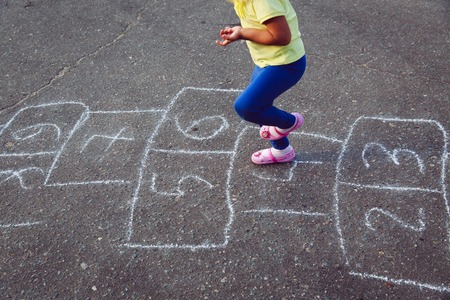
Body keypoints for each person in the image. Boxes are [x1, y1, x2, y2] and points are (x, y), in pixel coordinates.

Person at [216, 0, 307, 165]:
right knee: (260, 106)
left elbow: (281, 36)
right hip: (266, 62)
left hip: (285, 64)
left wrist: (243, 33)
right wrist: (239, 31)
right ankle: (282, 150)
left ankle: (289, 122)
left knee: (247, 106)